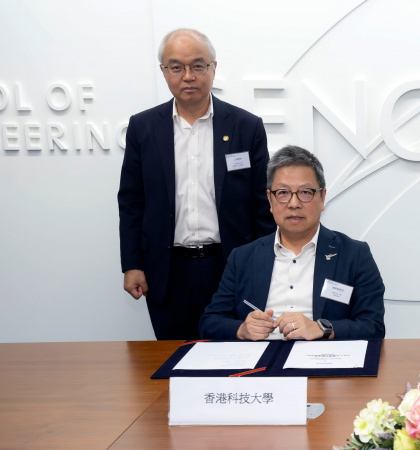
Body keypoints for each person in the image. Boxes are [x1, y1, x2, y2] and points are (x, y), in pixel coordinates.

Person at [118, 29, 274, 340]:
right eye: (176, 67)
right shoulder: (143, 127)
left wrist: (265, 267)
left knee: (234, 357)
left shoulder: (246, 127)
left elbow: (262, 203)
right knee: (175, 360)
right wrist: (132, 264)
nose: (188, 76)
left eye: (198, 65)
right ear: (164, 72)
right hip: (167, 268)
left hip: (229, 265)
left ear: (213, 68)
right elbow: (132, 201)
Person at [199, 145, 386, 341]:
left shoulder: (354, 255)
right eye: (283, 193)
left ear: (322, 198)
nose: (294, 203)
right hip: (259, 362)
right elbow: (210, 321)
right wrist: (241, 329)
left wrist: (323, 328)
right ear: (270, 200)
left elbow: (373, 326)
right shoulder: (243, 257)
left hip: (322, 362)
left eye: (305, 192)